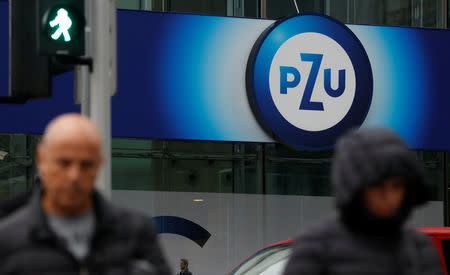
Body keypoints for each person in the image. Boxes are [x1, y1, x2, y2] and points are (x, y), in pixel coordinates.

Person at [0, 113, 171, 275]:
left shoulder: (136, 232)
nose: (74, 175)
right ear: (42, 160)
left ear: (99, 164)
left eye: (86, 164)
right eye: (64, 163)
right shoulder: (9, 240)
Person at [283, 128, 442, 275]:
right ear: (354, 186)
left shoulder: (420, 248)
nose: (388, 196)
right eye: (377, 185)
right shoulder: (316, 246)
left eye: (397, 186)